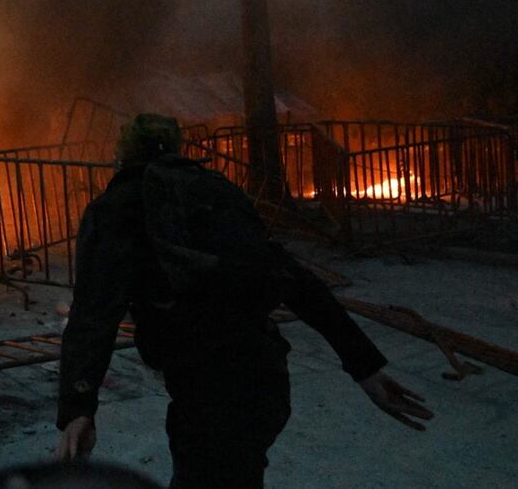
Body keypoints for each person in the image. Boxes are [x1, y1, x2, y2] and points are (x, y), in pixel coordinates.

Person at [56, 114, 433, 488]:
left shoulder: (116, 210)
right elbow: (292, 277)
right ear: (176, 147)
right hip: (263, 379)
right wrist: (364, 366)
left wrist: (78, 407)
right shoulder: (215, 191)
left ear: (123, 153)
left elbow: (94, 314)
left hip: (208, 393)